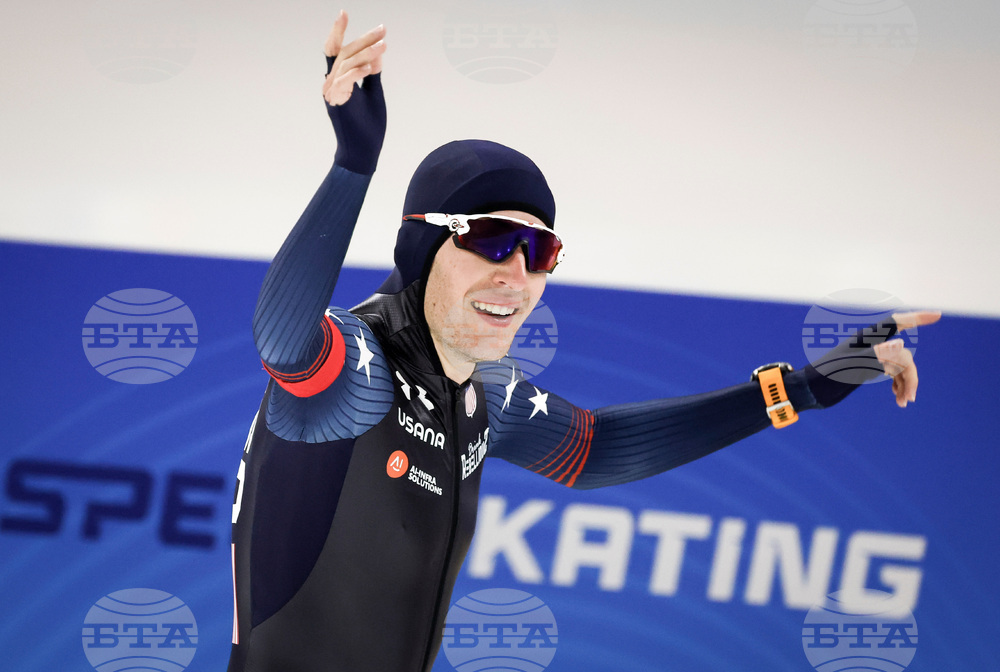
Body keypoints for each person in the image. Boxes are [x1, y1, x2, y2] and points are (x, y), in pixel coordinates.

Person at [227, 12, 940, 672]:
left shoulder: (485, 397)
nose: (517, 276)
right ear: (423, 248)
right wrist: (354, 162)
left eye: (539, 252)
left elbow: (598, 449)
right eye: (491, 240)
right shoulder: (364, 369)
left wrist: (806, 388)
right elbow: (284, 342)